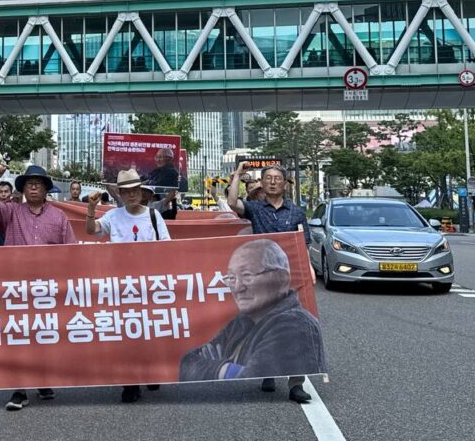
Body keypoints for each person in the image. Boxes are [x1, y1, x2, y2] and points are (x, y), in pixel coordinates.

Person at [0, 163, 76, 411]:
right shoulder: (11, 212)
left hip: (47, 288)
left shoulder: (59, 217)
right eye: (30, 184)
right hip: (17, 287)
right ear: (23, 189)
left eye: (38, 184)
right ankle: (19, 389)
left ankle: (41, 380)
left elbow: (72, 252)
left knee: (44, 335)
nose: (34, 188)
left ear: (46, 190)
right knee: (19, 336)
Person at [178, 239, 327, 383]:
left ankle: (295, 386)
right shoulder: (242, 322)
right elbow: (188, 363)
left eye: (247, 276)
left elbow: (249, 379)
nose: (238, 288)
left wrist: (218, 366)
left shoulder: (296, 326)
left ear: (282, 279)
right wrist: (227, 369)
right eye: (231, 278)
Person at [226, 161, 313, 403]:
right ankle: (268, 371)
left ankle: (296, 383)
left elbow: (303, 244)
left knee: (295, 328)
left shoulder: (296, 212)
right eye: (268, 178)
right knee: (264, 327)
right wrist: (238, 174)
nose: (273, 182)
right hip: (261, 280)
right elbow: (232, 203)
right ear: (262, 184)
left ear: (285, 184)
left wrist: (309, 270)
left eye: (277, 178)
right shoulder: (255, 209)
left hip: (291, 277)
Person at [86, 169, 170, 404]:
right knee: (127, 333)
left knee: (149, 331)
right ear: (120, 194)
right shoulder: (113, 216)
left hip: (149, 284)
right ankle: (130, 382)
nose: (131, 194)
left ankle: (151, 371)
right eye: (126, 191)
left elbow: (167, 247)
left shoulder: (153, 215)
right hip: (121, 285)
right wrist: (91, 209)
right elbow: (91, 231)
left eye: (135, 190)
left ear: (141, 192)